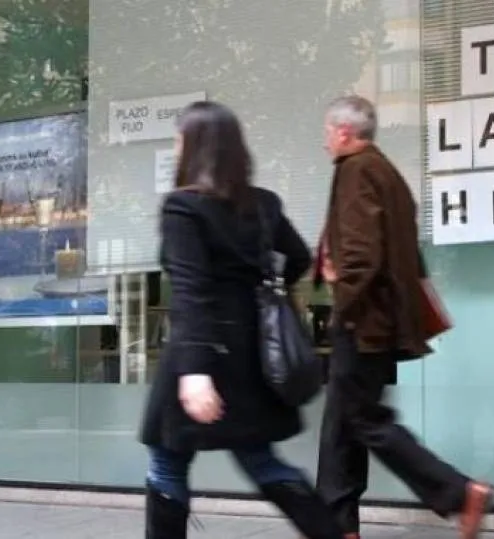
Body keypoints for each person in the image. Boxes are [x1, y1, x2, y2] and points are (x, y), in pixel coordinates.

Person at [139, 101, 343, 539]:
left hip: (201, 351)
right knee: (260, 459)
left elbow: (191, 291)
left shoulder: (183, 207)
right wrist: (260, 292)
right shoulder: (263, 205)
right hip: (252, 355)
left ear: (194, 147)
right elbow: (298, 258)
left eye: (179, 140)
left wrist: (195, 372)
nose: (175, 148)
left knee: (167, 460)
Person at [314, 95, 494, 539]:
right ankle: (339, 525)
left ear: (343, 132)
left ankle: (459, 492)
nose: (324, 142)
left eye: (327, 132)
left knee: (364, 420)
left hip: (363, 321)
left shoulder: (356, 171)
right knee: (342, 423)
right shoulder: (387, 174)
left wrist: (342, 299)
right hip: (379, 321)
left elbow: (362, 255)